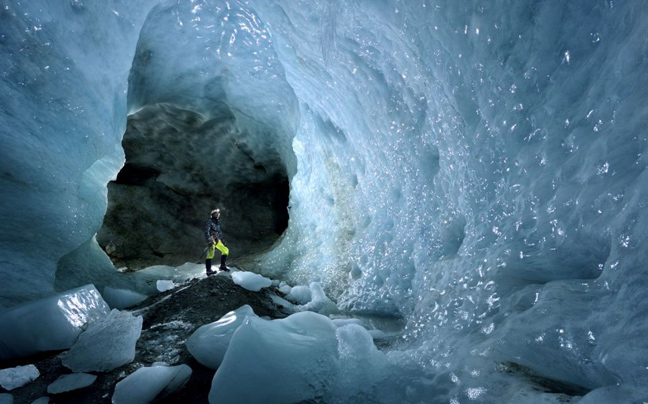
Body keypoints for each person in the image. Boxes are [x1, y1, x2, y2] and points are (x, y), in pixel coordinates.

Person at [205, 208, 229, 274]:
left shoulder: (217, 223)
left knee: (225, 250)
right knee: (210, 255)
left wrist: (223, 241)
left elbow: (219, 233)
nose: (217, 215)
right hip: (211, 239)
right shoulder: (209, 221)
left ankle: (222, 266)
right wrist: (209, 239)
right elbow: (206, 231)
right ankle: (208, 270)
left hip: (217, 240)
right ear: (212, 214)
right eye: (216, 214)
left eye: (218, 214)